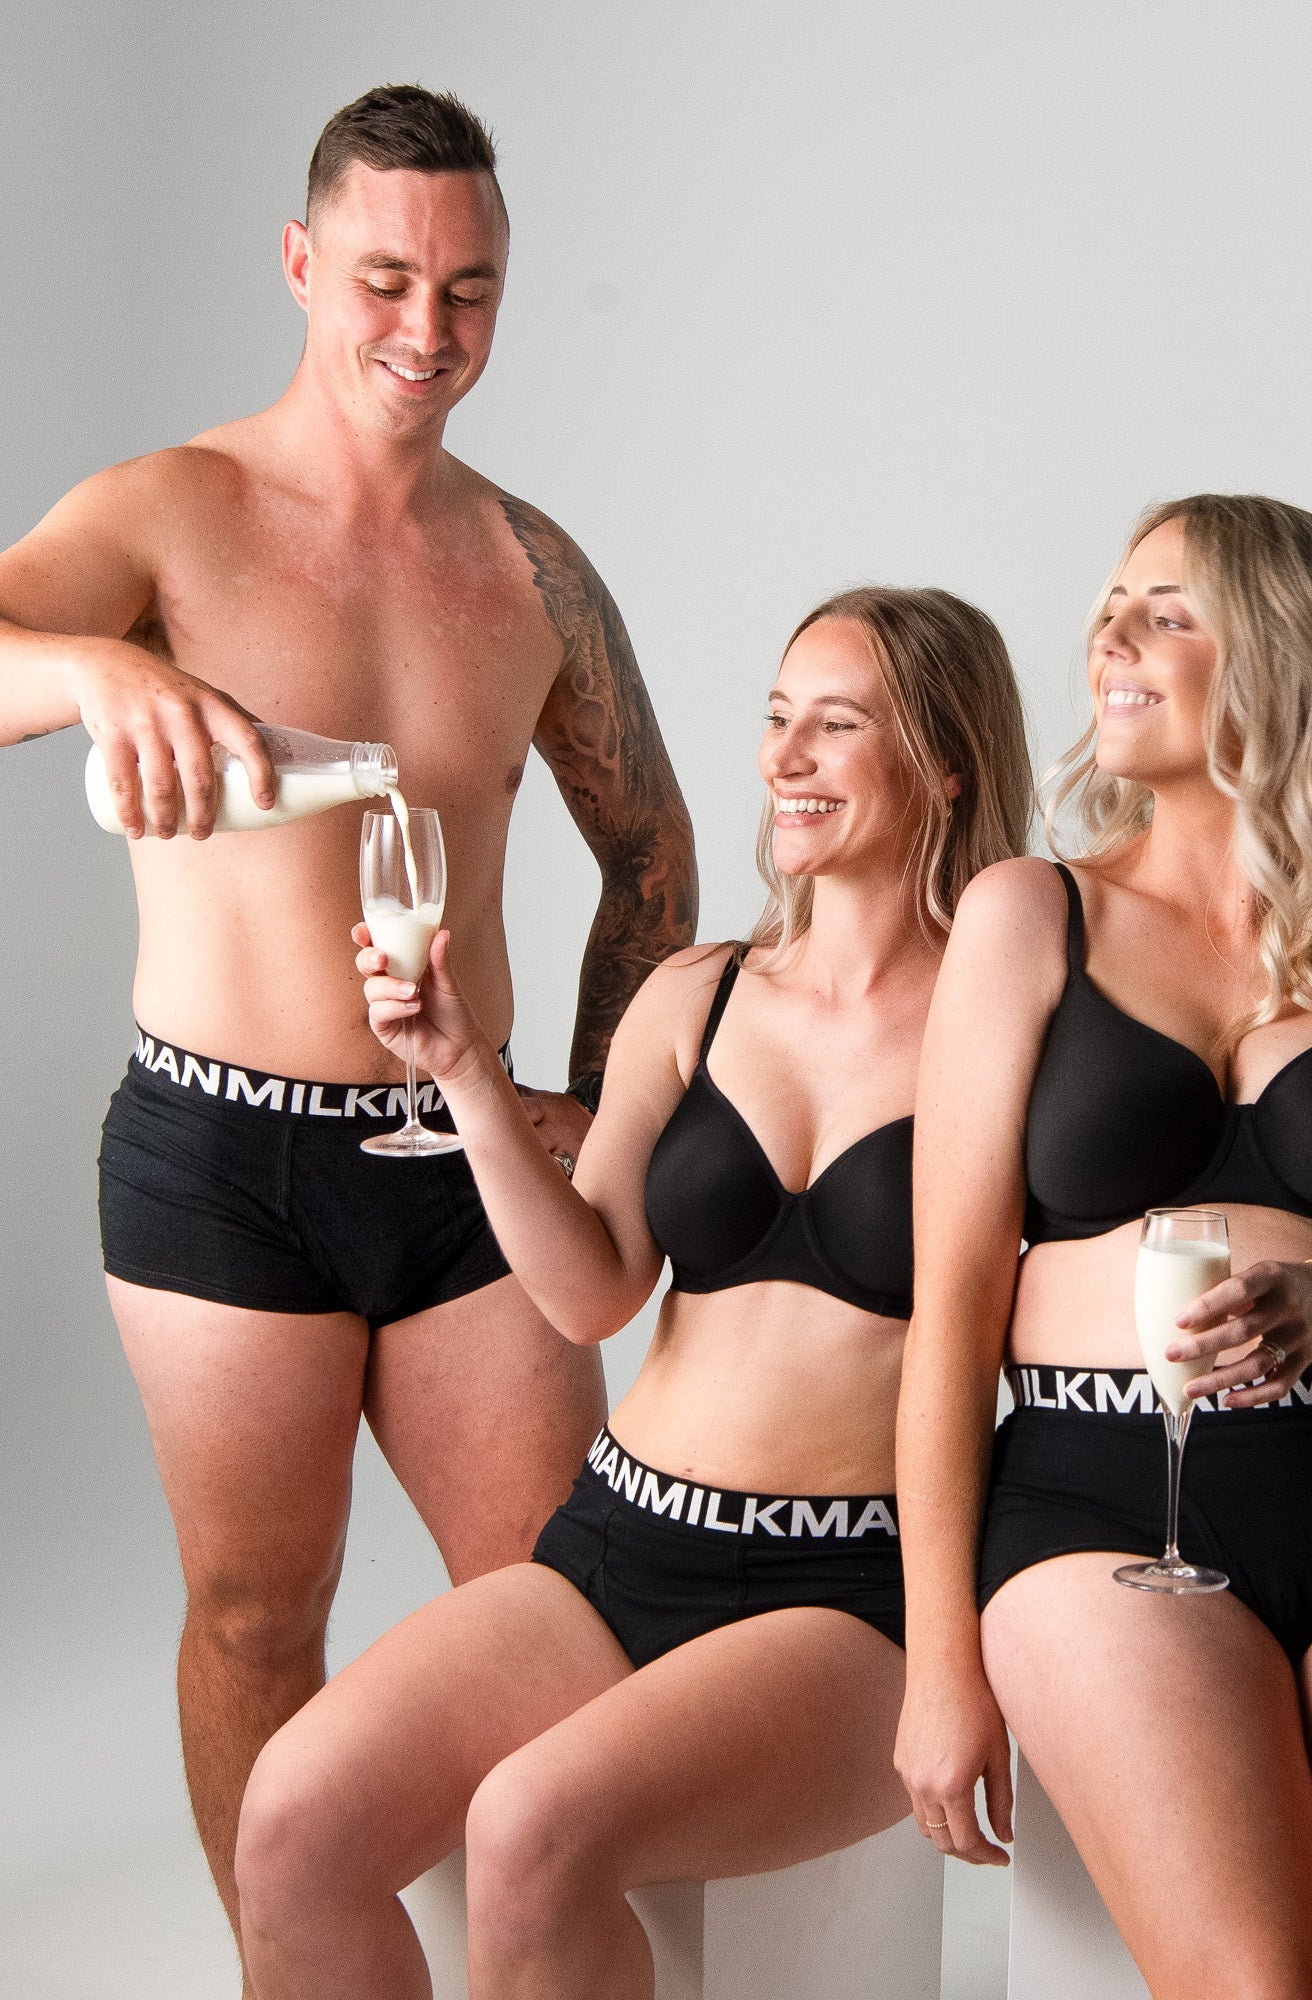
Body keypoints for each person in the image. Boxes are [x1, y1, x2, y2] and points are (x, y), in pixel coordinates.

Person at [0, 83, 696, 1970]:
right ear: (303, 263)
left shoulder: (533, 569)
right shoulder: (169, 510)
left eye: (469, 291)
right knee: (255, 1615)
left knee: (554, 1604)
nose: (425, 329)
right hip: (220, 1158)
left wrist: (593, 1108)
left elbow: (649, 849)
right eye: (386, 278)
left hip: (458, 1161)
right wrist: (95, 668)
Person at [230, 585, 1031, 1999]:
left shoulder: (1016, 1017)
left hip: (852, 1587)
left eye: (837, 724)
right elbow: (590, 1290)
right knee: (293, 1821)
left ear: (947, 759)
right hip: (618, 1543)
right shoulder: (698, 995)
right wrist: (463, 1072)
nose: (785, 757)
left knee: (533, 1830)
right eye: (776, 717)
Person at [895, 494, 1312, 1997]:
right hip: (1099, 1498)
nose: (1110, 640)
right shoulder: (1030, 915)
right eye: (1111, 609)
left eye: (1165, 614)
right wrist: (937, 1664)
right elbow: (951, 1311)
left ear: (1290, 658)